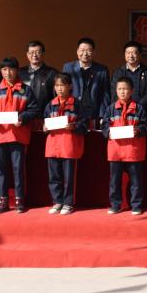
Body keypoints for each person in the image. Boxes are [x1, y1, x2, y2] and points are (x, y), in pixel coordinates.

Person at [0, 57, 38, 214]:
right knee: (1, 170)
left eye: (11, 69)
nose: (8, 73)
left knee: (18, 168)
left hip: (17, 135)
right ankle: (3, 200)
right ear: (1, 71)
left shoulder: (26, 90)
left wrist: (23, 118)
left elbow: (34, 109)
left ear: (17, 70)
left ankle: (19, 200)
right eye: (5, 69)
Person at [102, 77, 147, 215]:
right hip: (115, 151)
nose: (122, 92)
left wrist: (138, 130)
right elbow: (104, 126)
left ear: (132, 91)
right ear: (116, 90)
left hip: (133, 151)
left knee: (136, 181)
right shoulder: (110, 109)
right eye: (120, 89)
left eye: (126, 89)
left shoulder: (139, 108)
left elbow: (146, 126)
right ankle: (115, 205)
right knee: (115, 181)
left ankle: (136, 205)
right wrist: (108, 132)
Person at [44, 74, 86, 216]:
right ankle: (57, 201)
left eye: (62, 85)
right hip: (53, 145)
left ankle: (68, 203)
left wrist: (74, 126)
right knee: (54, 177)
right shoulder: (50, 105)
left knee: (69, 178)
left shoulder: (77, 104)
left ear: (70, 86)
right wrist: (45, 127)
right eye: (57, 86)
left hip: (69, 146)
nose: (60, 89)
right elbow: (45, 122)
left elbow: (84, 124)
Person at [62, 37, 110, 127]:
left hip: (94, 113)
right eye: (82, 50)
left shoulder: (102, 70)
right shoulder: (68, 68)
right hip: (73, 112)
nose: (85, 54)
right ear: (77, 51)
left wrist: (103, 115)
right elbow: (63, 90)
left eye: (88, 50)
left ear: (94, 52)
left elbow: (105, 94)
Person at [111, 40, 147, 124]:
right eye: (128, 53)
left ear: (139, 54)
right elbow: (114, 93)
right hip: (122, 113)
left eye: (134, 53)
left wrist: (137, 107)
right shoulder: (118, 72)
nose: (130, 55)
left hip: (143, 113)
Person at [19, 40, 58, 126]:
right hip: (23, 119)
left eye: (38, 52)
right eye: (31, 52)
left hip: (44, 117)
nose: (34, 55)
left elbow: (57, 97)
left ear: (43, 54)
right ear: (27, 54)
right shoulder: (20, 73)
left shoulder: (52, 73)